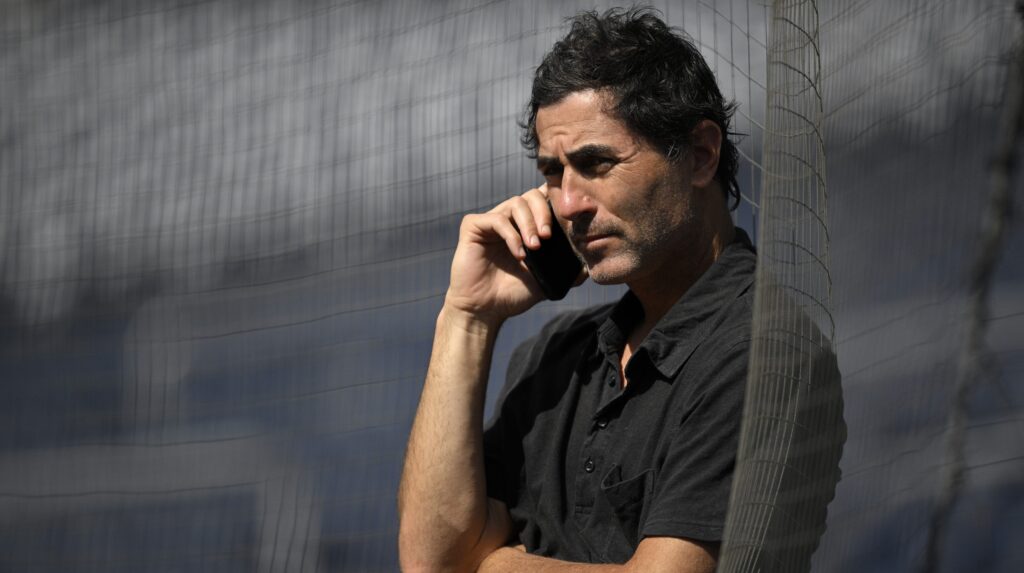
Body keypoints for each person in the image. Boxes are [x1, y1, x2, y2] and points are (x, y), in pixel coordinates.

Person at [398, 8, 842, 572]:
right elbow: (429, 562)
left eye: (596, 163)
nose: (567, 204)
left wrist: (489, 566)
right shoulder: (558, 353)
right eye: (553, 172)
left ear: (701, 155)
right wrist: (467, 319)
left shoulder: (766, 356)